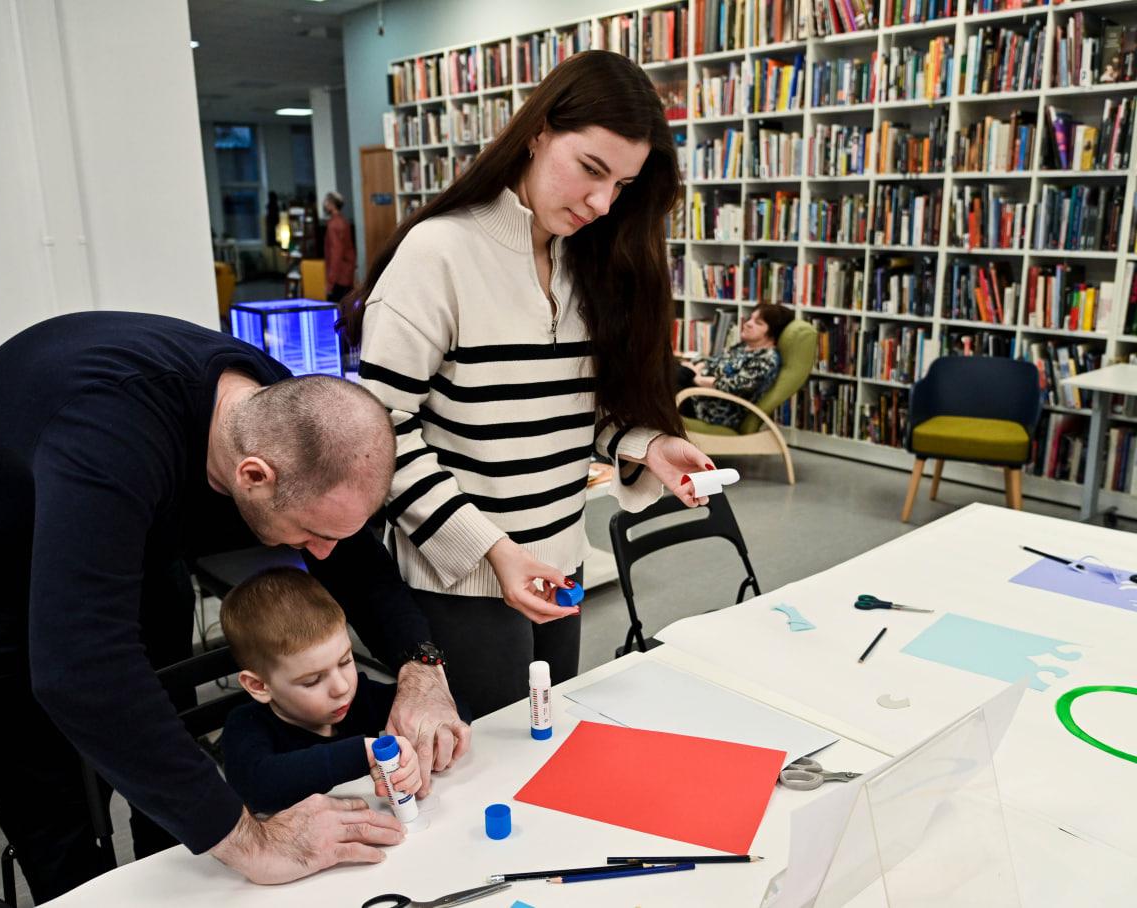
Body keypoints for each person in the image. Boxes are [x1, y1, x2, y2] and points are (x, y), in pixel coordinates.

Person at [0, 311, 469, 903]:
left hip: (138, 551)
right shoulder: (106, 437)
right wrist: (253, 842)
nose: (325, 552)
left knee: (169, 787)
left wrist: (421, 665)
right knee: (61, 825)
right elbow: (81, 670)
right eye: (310, 534)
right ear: (252, 476)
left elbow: (350, 553)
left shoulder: (277, 413)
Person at [345, 50, 714, 718]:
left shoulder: (586, 260)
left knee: (542, 743)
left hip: (559, 556)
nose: (602, 203)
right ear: (538, 131)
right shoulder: (439, 254)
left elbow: (574, 410)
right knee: (488, 767)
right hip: (460, 577)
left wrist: (647, 446)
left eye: (622, 186)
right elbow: (380, 433)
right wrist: (491, 550)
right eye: (591, 170)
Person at [219, 566, 424, 816]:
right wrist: (363, 754)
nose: (342, 687)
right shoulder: (246, 725)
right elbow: (257, 788)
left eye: (346, 661)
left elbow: (446, 707)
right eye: (313, 680)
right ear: (259, 686)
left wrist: (414, 748)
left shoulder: (361, 698)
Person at [676, 303, 794, 429]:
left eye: (758, 323)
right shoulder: (743, 347)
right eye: (750, 318)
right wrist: (694, 368)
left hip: (711, 409)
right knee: (666, 368)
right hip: (696, 394)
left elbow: (732, 385)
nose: (748, 323)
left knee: (667, 379)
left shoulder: (767, 359)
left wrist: (694, 377)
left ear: (773, 332)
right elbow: (712, 362)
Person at [323, 191, 356, 304]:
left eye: (327, 202)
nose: (325, 205)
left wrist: (330, 282)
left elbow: (336, 253)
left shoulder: (333, 224)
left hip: (339, 276)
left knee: (336, 310)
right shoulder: (343, 221)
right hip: (347, 273)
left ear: (332, 204)